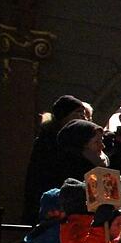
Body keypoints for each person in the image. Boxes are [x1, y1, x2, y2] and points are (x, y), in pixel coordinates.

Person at [24, 95, 90, 224]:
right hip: (53, 204)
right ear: (64, 116)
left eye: (84, 114)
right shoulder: (48, 142)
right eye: (78, 113)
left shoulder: (80, 143)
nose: (83, 118)